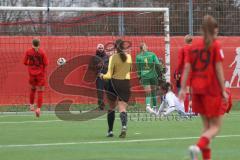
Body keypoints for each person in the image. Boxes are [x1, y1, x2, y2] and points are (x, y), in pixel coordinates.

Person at [179, 15, 229, 160]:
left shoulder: (193, 46)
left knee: (206, 127)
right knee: (215, 127)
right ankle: (197, 147)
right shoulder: (215, 45)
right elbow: (219, 70)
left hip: (196, 90)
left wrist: (183, 88)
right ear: (215, 30)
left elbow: (187, 67)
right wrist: (223, 90)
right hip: (211, 90)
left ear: (201, 30)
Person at [99, 39, 132, 138]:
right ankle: (124, 126)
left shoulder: (113, 57)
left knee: (111, 107)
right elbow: (129, 70)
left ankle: (110, 131)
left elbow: (108, 75)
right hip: (125, 84)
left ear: (115, 48)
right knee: (122, 108)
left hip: (113, 84)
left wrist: (102, 76)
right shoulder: (129, 57)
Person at [23, 38, 48, 117]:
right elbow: (46, 63)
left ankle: (31, 105)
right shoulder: (42, 52)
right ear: (39, 44)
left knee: (33, 89)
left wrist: (31, 65)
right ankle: (38, 109)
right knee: (40, 91)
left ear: (32, 43)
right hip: (40, 74)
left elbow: (24, 62)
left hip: (32, 74)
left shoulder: (28, 52)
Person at [136, 43, 162, 114]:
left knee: (148, 93)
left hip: (144, 76)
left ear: (140, 49)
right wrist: (160, 73)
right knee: (154, 92)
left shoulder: (138, 57)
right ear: (146, 47)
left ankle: (148, 106)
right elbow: (157, 64)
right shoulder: (152, 54)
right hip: (153, 75)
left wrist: (139, 77)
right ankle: (155, 108)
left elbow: (138, 68)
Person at [92, 44, 109, 110]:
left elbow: (110, 66)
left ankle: (111, 105)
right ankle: (101, 106)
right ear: (97, 49)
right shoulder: (94, 57)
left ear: (103, 49)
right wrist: (97, 68)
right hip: (99, 77)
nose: (100, 49)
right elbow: (92, 67)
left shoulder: (107, 57)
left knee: (109, 91)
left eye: (102, 48)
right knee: (100, 92)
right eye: (99, 48)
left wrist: (104, 66)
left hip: (106, 76)